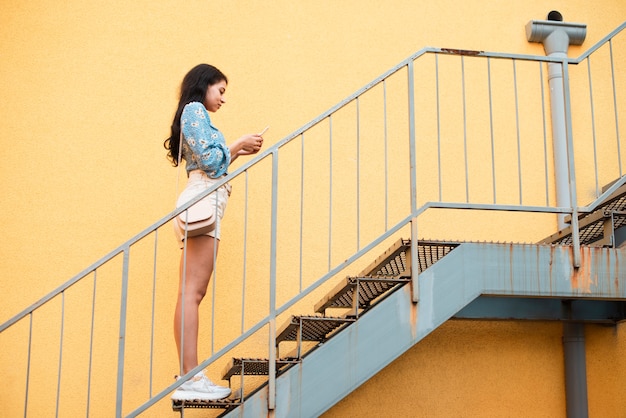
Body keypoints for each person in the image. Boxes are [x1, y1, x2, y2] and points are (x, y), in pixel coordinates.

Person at [164, 64, 264, 401]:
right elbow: (210, 162)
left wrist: (235, 152)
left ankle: (188, 376)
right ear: (204, 85)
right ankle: (190, 378)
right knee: (192, 292)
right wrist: (237, 144)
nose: (223, 99)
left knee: (191, 291)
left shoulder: (195, 115)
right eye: (220, 91)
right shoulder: (194, 110)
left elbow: (212, 163)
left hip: (207, 199)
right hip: (204, 199)